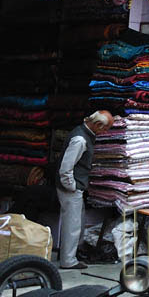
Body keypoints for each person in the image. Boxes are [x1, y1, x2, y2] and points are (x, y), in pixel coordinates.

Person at [56, 110, 113, 269]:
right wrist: (72, 186)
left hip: (75, 186)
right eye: (105, 129)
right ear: (98, 125)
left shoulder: (83, 134)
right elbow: (66, 168)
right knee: (72, 225)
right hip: (71, 188)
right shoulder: (80, 139)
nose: (105, 132)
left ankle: (72, 254)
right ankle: (68, 261)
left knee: (76, 222)